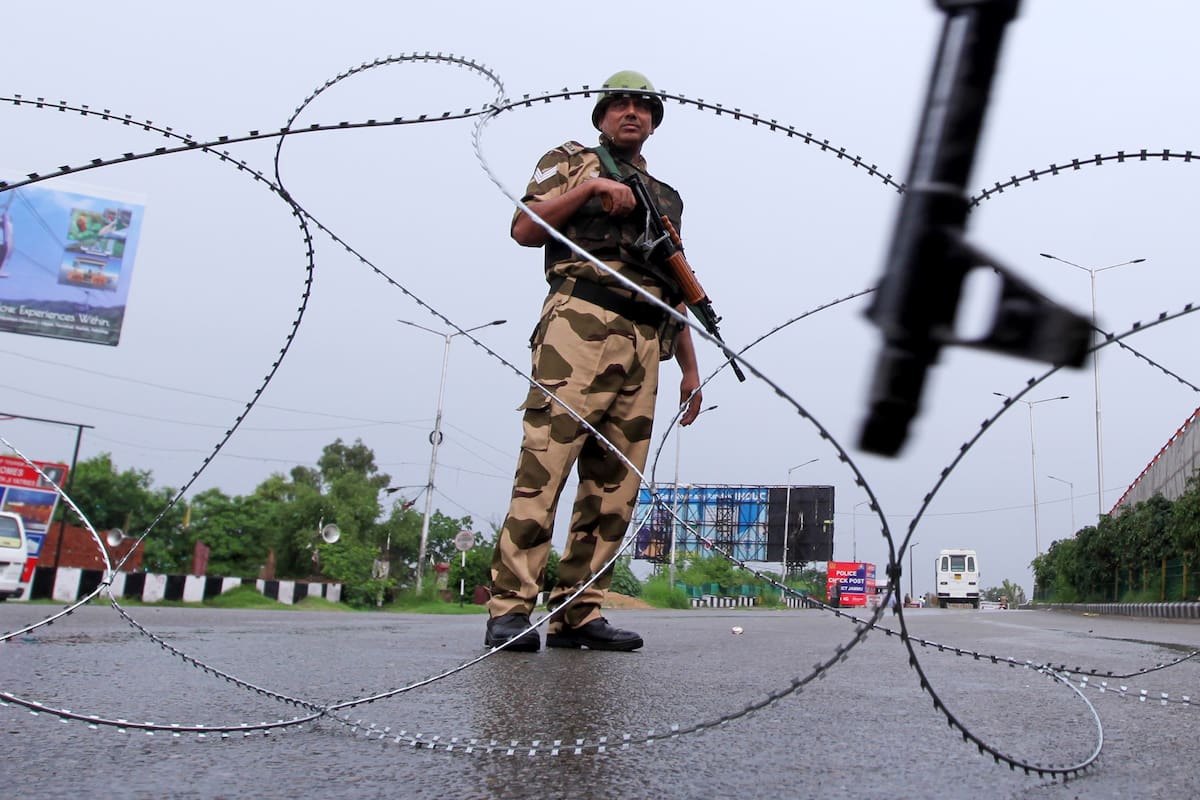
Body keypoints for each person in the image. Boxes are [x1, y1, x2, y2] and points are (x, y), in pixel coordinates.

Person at [484, 70, 704, 652]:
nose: (631, 113)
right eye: (620, 105)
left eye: (642, 107)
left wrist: (689, 367)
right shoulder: (572, 159)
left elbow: (674, 285)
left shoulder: (666, 197)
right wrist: (589, 192)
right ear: (603, 115)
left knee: (614, 488)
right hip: (580, 323)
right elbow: (525, 229)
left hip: (646, 337)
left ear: (654, 121)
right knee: (545, 467)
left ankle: (578, 612)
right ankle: (510, 608)